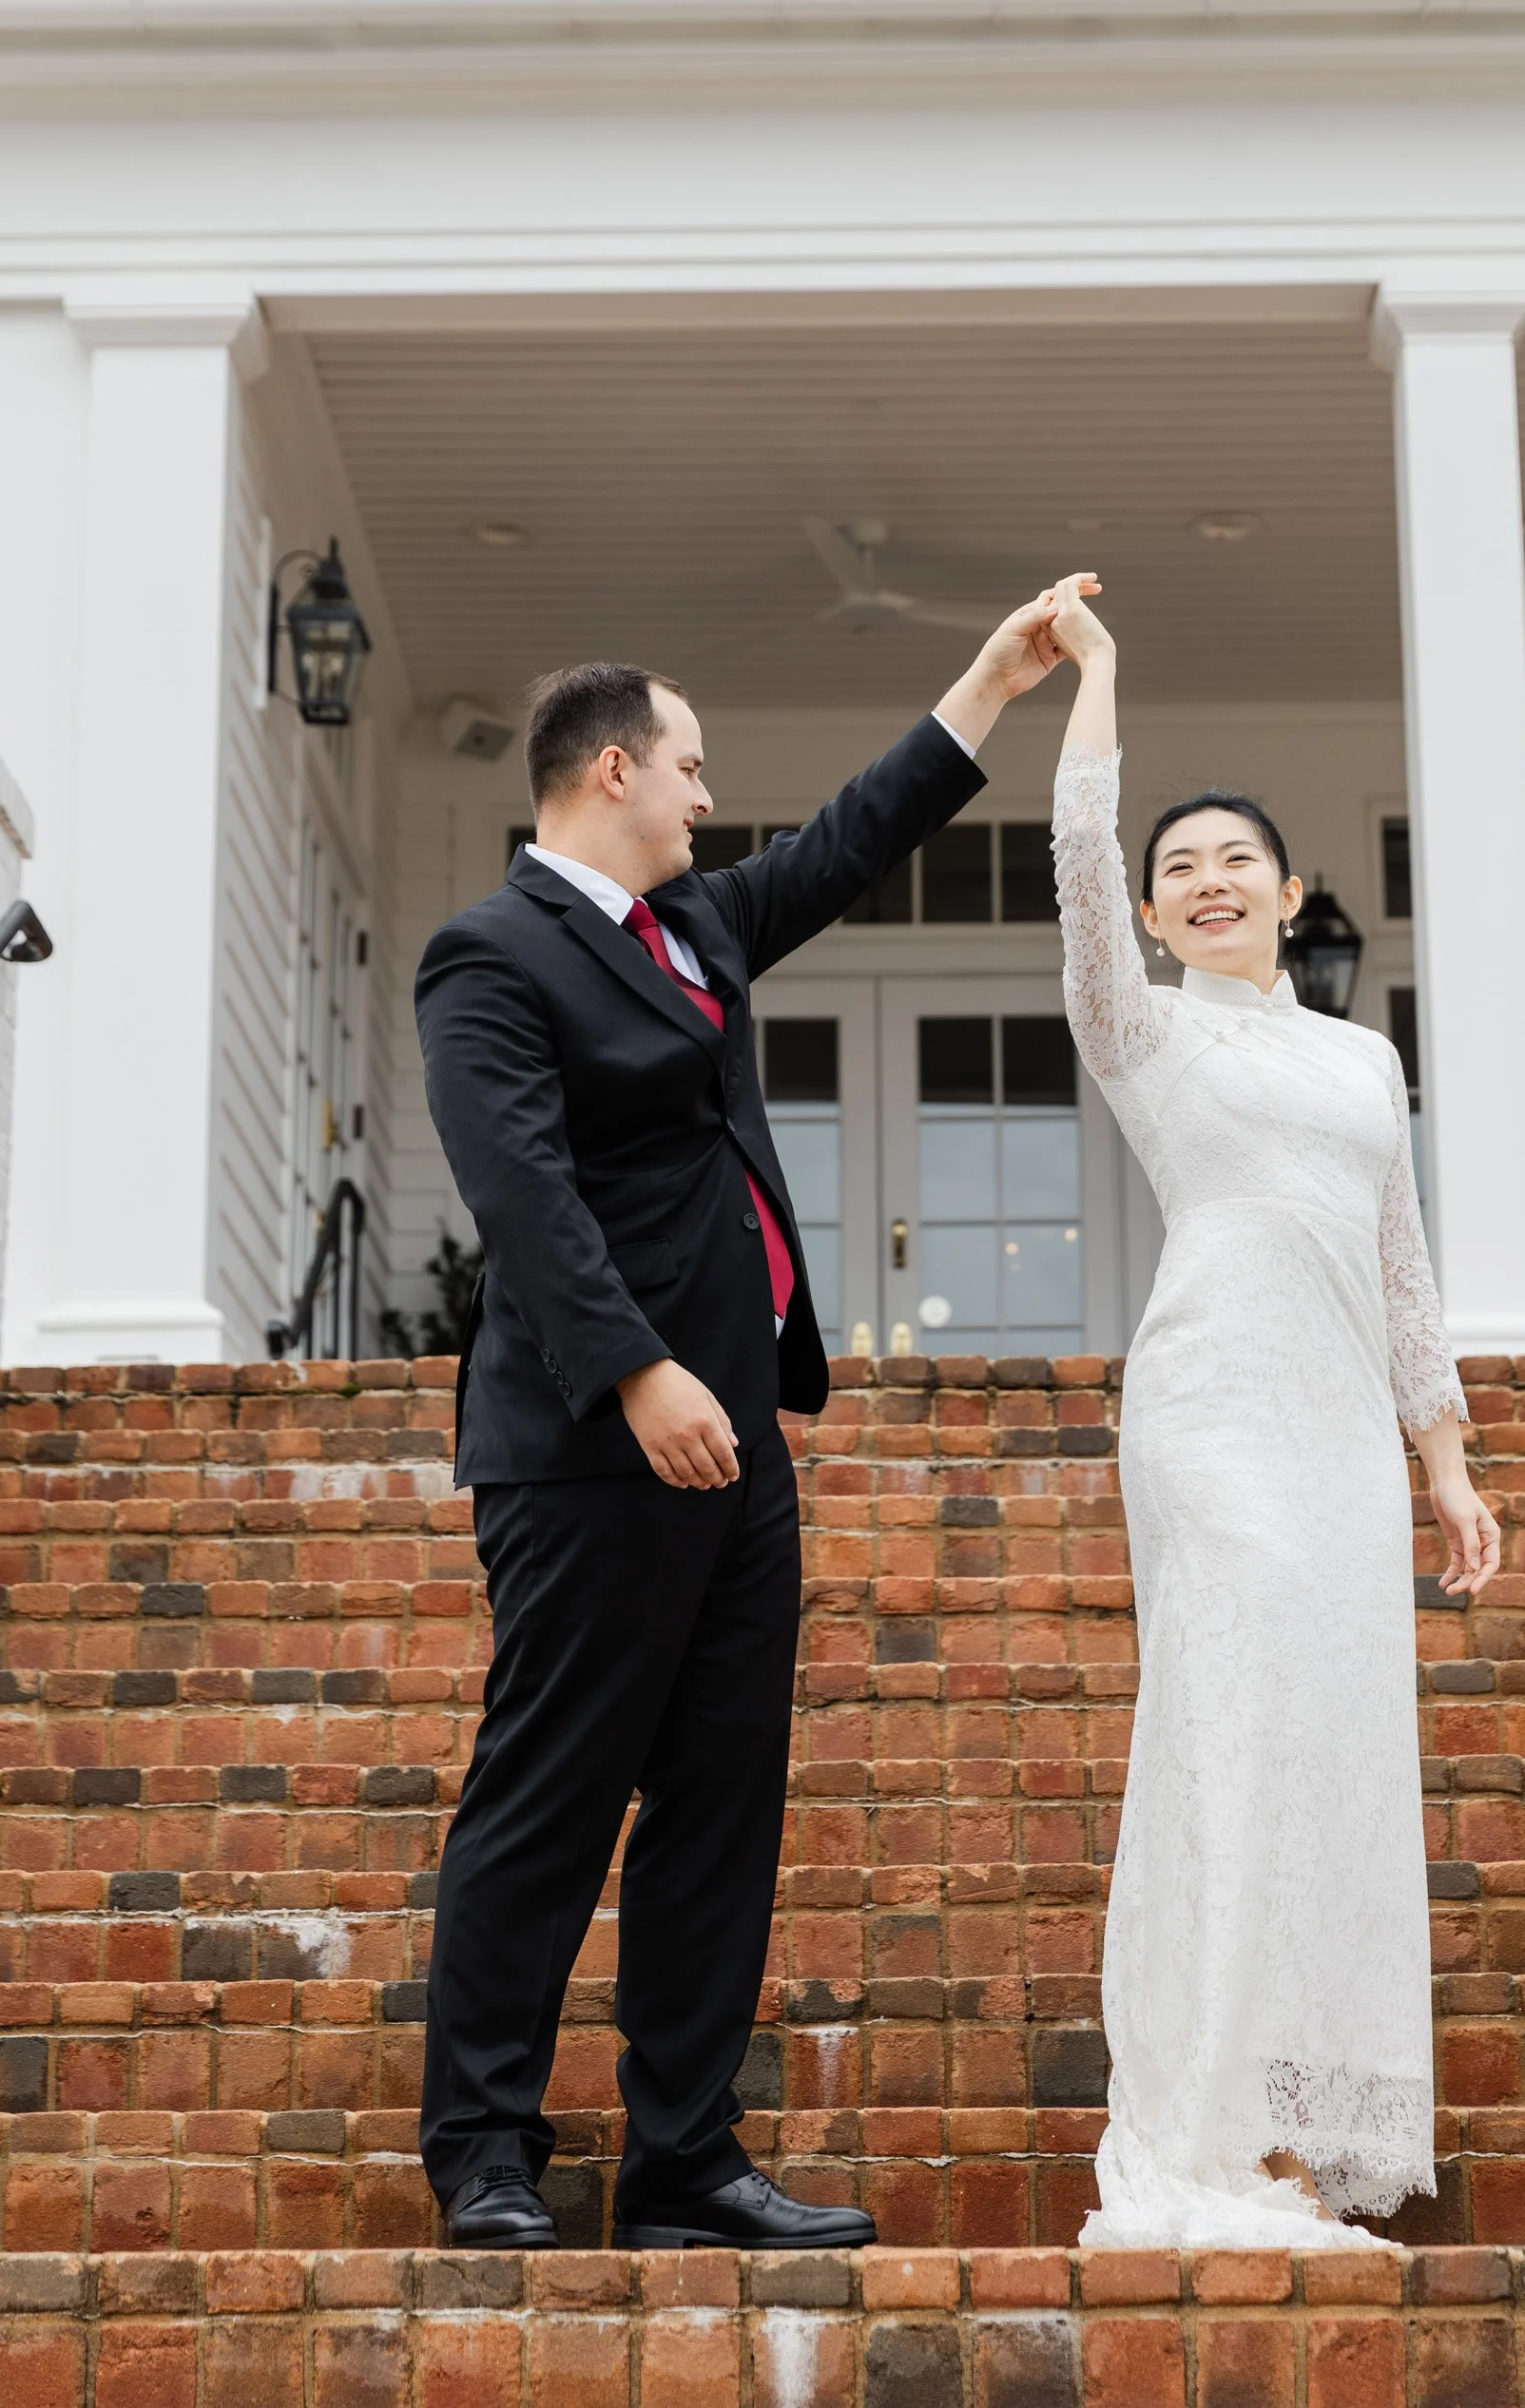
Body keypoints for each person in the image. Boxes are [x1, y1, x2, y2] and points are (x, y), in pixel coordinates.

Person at [414, 602, 1071, 2251]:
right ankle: (485, 2148)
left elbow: (853, 840)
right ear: (614, 766)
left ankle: (684, 2157)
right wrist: (636, 1370)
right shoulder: (487, 954)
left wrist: (990, 684)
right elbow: (524, 1192)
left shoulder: (693, 925)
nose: (711, 799)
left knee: (723, 1796)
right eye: (692, 769)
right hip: (589, 1443)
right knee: (551, 1790)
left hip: (739, 1444)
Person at [1043, 569, 1500, 2246]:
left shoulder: (1364, 1065)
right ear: (1157, 918)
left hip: (1338, 1436)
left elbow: (1401, 1258)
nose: (1207, 879)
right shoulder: (1144, 1029)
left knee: (1329, 1753)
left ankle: (1291, 2120)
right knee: (1229, 1736)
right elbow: (1081, 868)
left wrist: (1440, 1455)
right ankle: (1199, 2126)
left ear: (1292, 892)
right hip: (1215, 1411)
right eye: (1182, 871)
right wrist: (1096, 674)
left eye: (1236, 857)